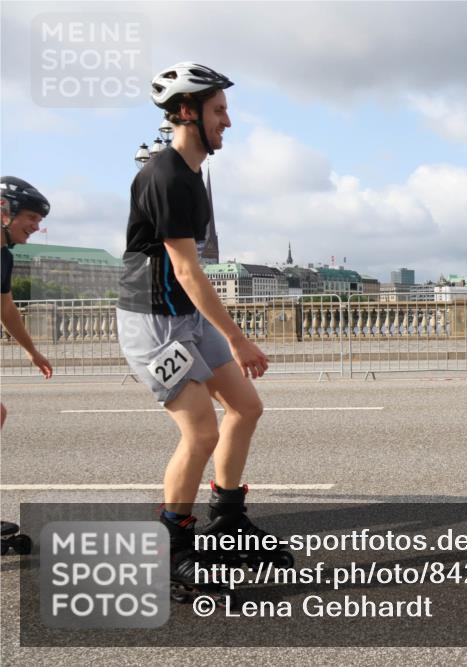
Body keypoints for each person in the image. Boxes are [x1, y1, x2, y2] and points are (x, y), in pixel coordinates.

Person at [116, 62, 289, 593]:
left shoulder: (191, 175)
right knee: (201, 430)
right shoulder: (164, 176)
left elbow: (190, 276)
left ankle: (229, 520)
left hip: (185, 317)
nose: (228, 122)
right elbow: (188, 270)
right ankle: (171, 548)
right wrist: (237, 337)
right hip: (154, 323)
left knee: (247, 407)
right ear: (186, 112)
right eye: (219, 111)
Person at [1, 176, 54, 555]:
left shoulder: (4, 255)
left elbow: (6, 308)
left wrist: (32, 351)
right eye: (31, 218)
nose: (36, 226)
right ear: (4, 211)